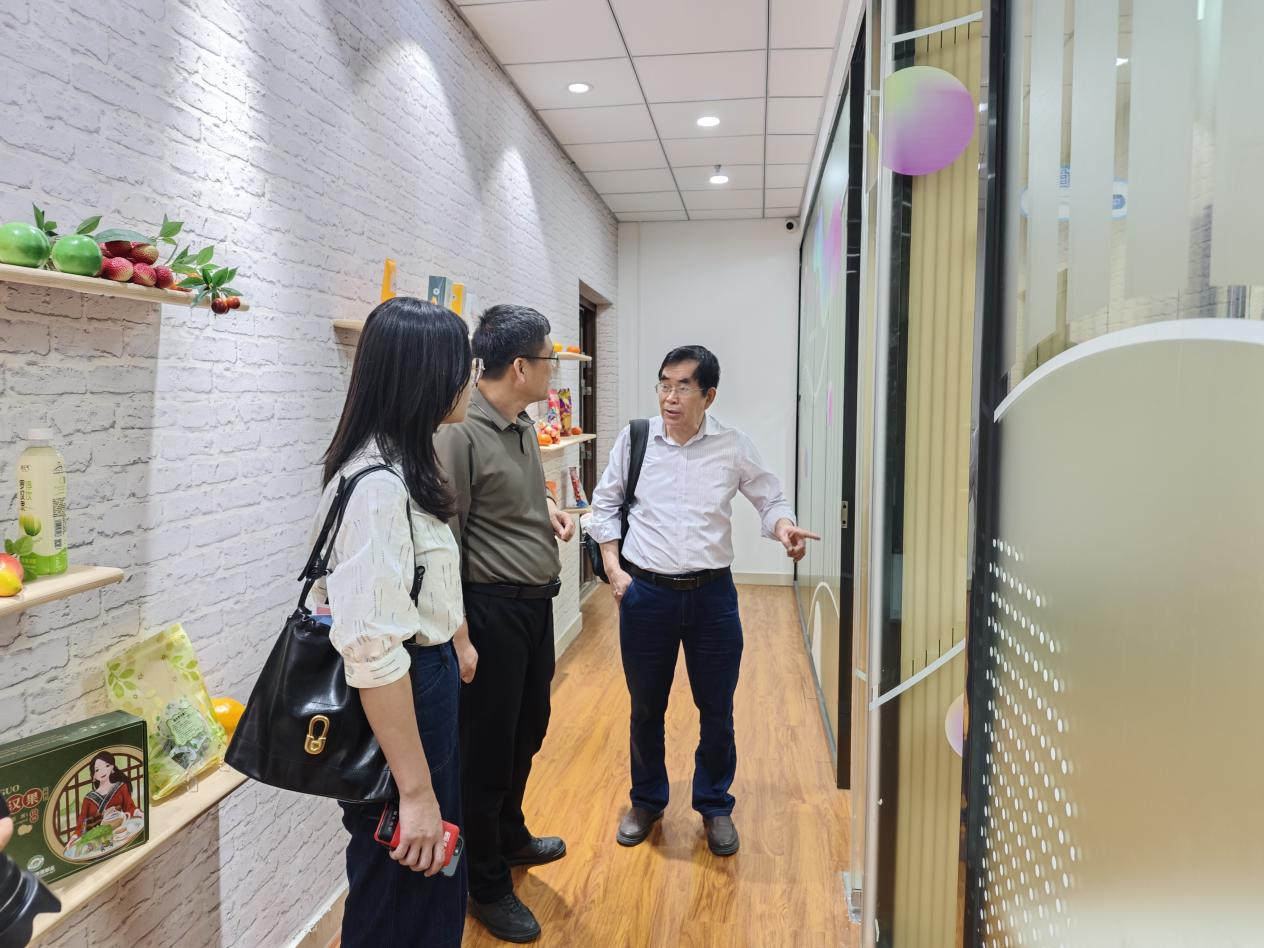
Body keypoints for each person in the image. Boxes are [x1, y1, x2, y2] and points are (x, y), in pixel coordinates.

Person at [589, 345, 819, 857]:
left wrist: (784, 527)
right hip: (647, 594)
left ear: (708, 395)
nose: (670, 397)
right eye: (664, 385)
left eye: (683, 387)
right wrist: (614, 568)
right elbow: (604, 504)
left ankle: (714, 804)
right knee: (646, 707)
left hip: (712, 598)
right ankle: (647, 800)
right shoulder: (637, 438)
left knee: (717, 708)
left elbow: (769, 497)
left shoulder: (733, 446)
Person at [314, 297, 478, 948]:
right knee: (402, 893)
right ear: (425, 377)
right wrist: (415, 792)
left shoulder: (402, 465)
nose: (469, 379)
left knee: (427, 886)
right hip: (401, 697)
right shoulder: (377, 486)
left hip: (423, 684)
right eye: (462, 366)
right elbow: (375, 654)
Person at [435, 304, 575, 944]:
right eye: (548, 359)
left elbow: (508, 499)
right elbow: (446, 539)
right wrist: (461, 635)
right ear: (520, 366)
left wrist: (546, 509)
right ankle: (484, 882)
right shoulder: (460, 432)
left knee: (528, 729)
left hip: (533, 609)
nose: (552, 370)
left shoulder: (519, 425)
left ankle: (510, 835)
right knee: (487, 752)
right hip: (490, 613)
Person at [75, 753, 140, 836]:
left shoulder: (121, 787)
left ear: (112, 767)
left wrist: (137, 812)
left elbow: (129, 807)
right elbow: (81, 824)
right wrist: (75, 835)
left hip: (121, 831)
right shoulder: (88, 799)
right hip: (99, 837)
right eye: (97, 770)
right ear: (93, 775)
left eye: (106, 766)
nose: (102, 772)